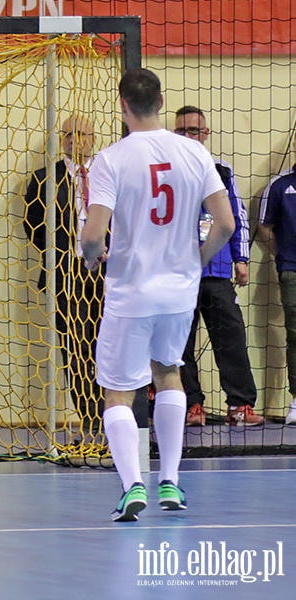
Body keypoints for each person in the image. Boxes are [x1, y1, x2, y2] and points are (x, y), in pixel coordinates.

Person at [81, 68, 234, 522]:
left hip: (131, 291)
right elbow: (225, 224)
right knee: (169, 373)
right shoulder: (194, 152)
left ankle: (133, 487)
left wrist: (92, 258)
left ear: (122, 105)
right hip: (178, 291)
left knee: (118, 391)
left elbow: (93, 233)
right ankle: (170, 479)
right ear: (162, 102)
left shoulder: (110, 159)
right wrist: (195, 259)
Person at [173, 106, 263, 427]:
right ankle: (191, 405)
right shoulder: (167, 170)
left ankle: (240, 406)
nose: (189, 135)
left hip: (217, 271)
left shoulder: (221, 171)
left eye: (194, 130)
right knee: (180, 342)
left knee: (231, 337)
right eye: (182, 130)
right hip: (178, 273)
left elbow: (236, 216)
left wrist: (241, 259)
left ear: (206, 134)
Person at [24, 114, 105, 443]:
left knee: (110, 349)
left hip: (108, 273)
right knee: (76, 350)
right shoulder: (44, 178)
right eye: (68, 135)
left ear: (94, 138)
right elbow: (32, 225)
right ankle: (90, 419)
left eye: (81, 134)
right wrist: (60, 252)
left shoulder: (109, 175)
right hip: (66, 275)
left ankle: (116, 415)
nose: (74, 140)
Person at [258, 164, 296, 425]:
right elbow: (264, 227)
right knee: (294, 332)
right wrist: (283, 257)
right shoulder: (280, 185)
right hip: (292, 269)